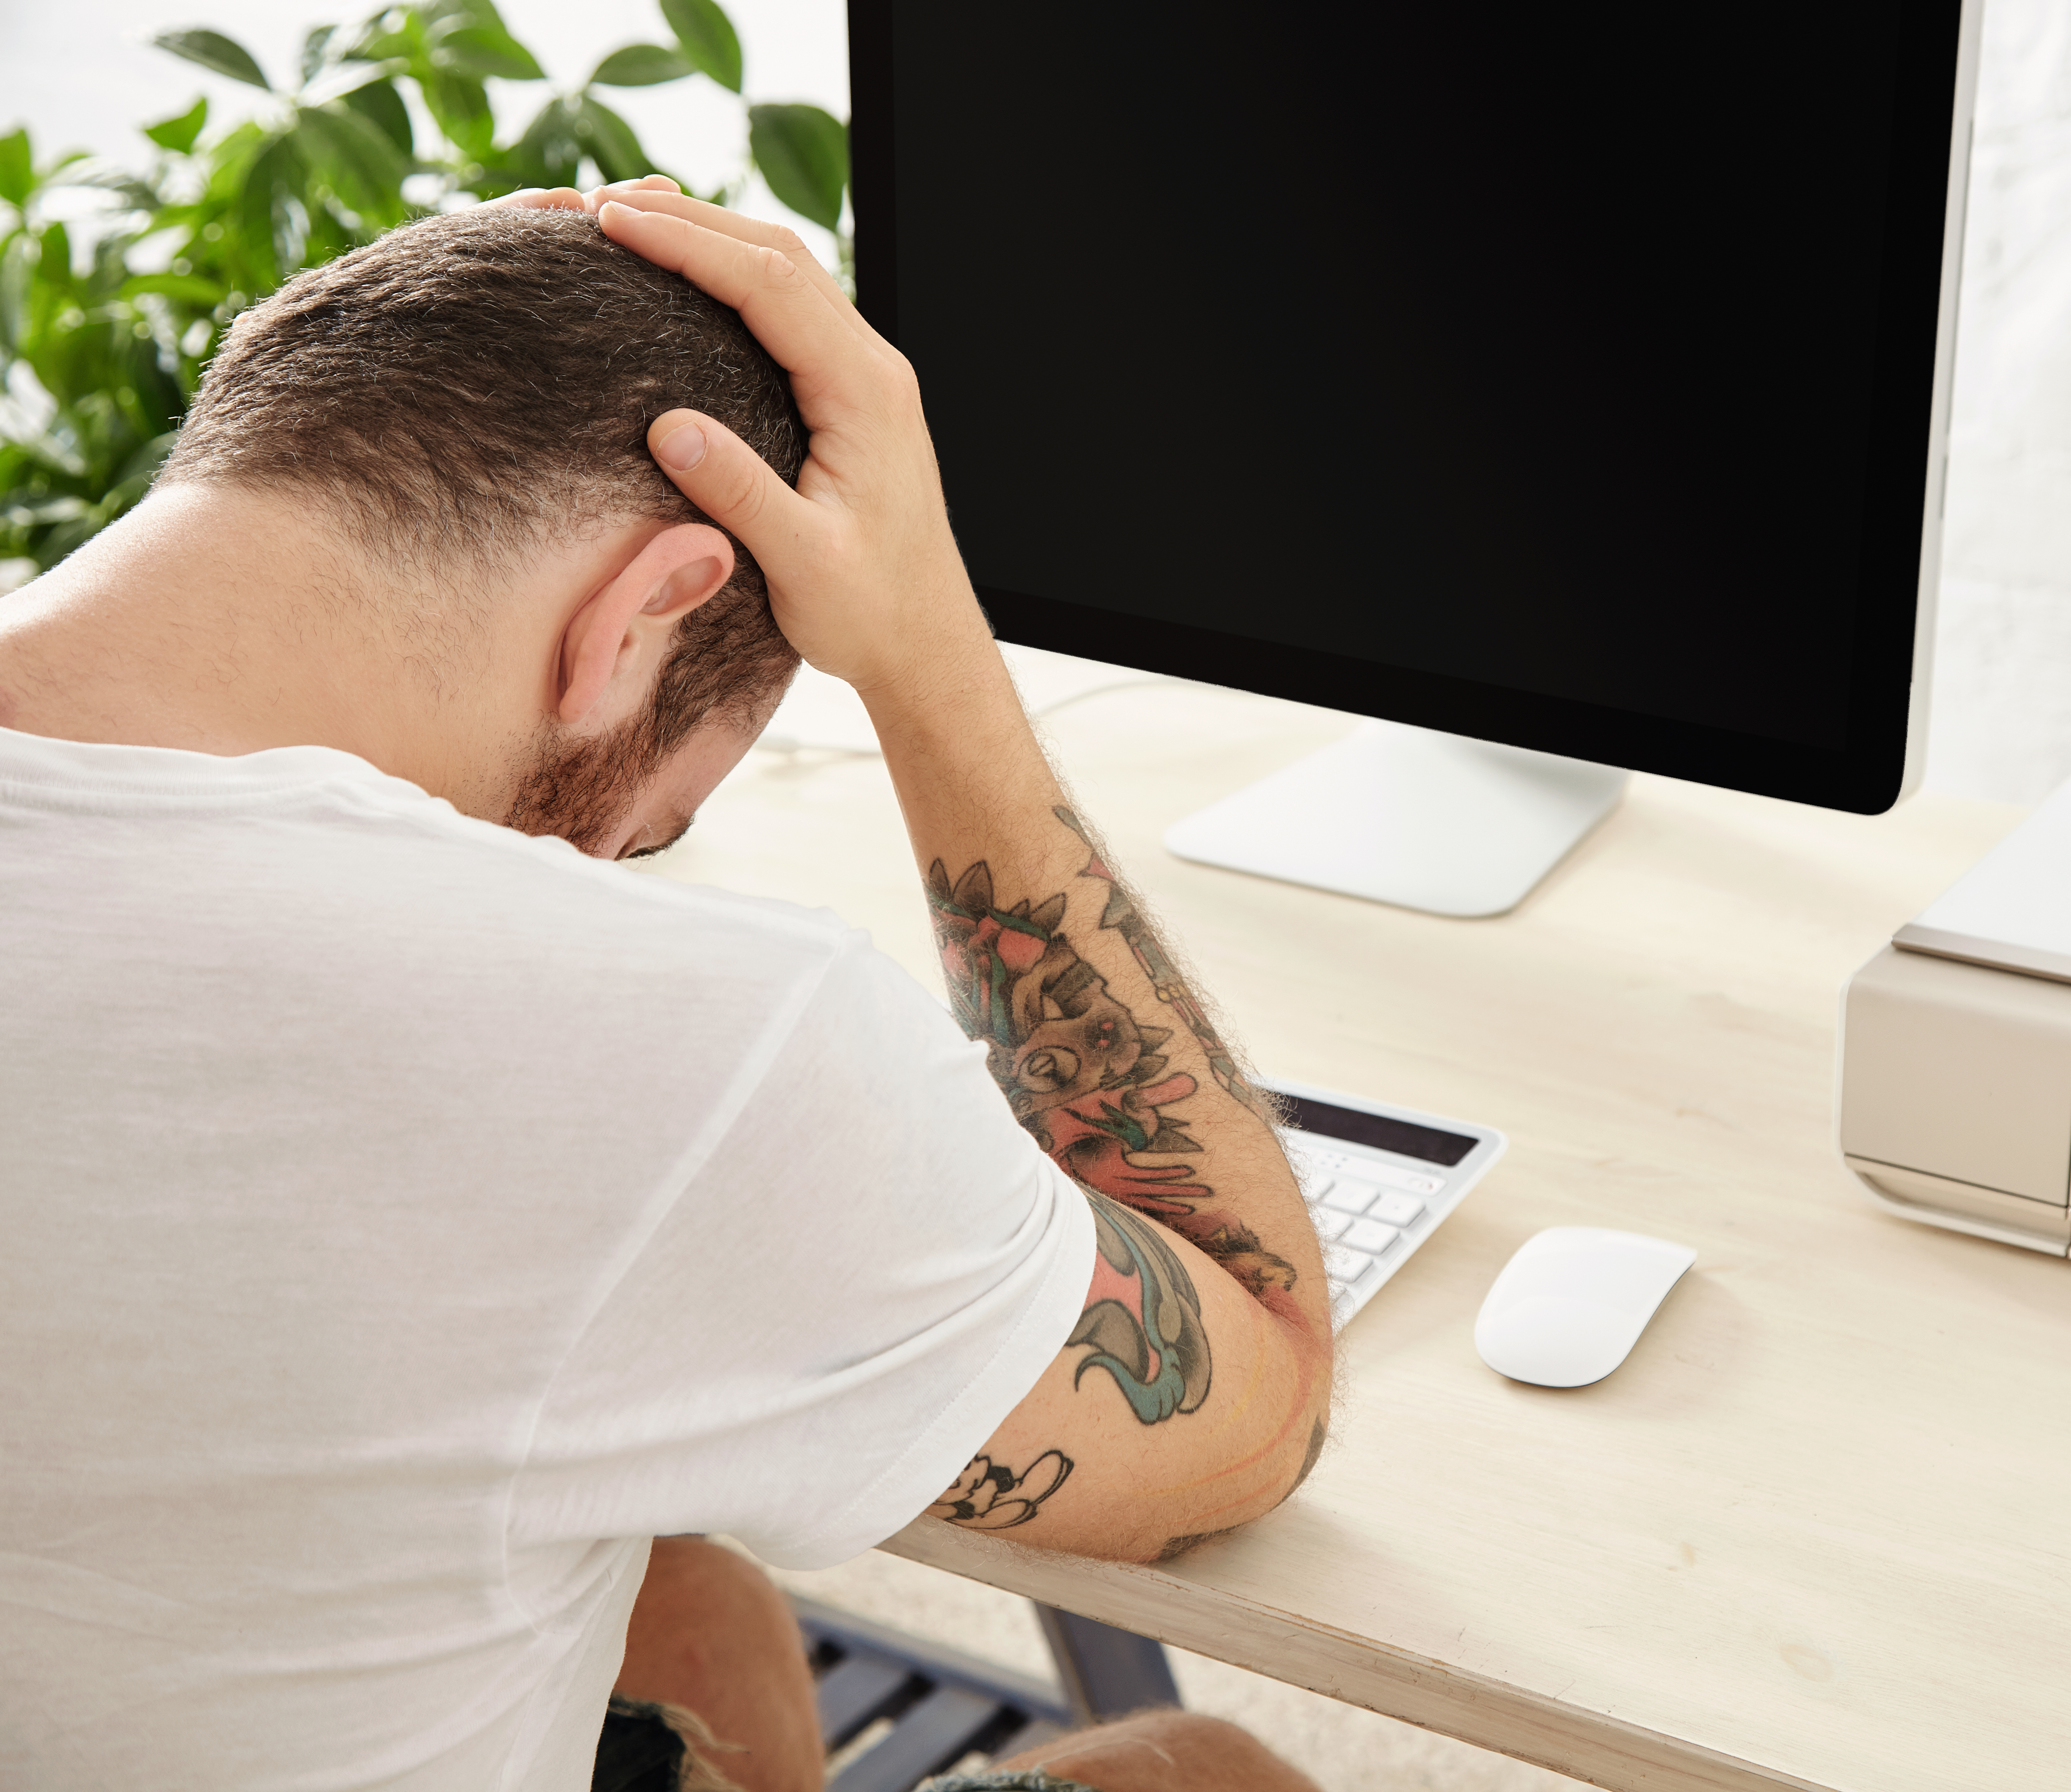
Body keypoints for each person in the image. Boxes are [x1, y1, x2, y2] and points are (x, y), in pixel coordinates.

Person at [0, 181, 1332, 1792]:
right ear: (646, 613)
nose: (601, 877)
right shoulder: (685, 1043)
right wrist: (926, 649)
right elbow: (1257, 1392)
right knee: (1200, 1768)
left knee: (686, 1604)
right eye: (645, 838)